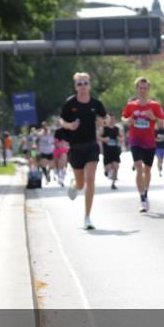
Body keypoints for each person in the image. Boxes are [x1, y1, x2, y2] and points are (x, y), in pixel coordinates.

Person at [58, 73, 107, 230]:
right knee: (81, 184)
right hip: (75, 148)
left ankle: (87, 217)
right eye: (79, 84)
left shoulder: (96, 103)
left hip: (91, 145)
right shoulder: (70, 103)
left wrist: (102, 121)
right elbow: (61, 120)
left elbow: (104, 119)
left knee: (90, 179)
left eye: (85, 83)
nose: (83, 86)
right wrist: (69, 125)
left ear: (89, 85)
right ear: (75, 86)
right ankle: (74, 186)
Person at [122, 77, 164, 213]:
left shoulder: (155, 105)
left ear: (148, 89)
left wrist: (153, 117)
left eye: (145, 88)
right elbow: (123, 118)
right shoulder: (131, 105)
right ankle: (142, 198)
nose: (143, 90)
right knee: (139, 167)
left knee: (147, 170)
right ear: (137, 89)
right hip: (135, 140)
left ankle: (145, 192)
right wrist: (127, 120)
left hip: (149, 142)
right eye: (140, 87)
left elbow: (162, 123)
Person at [100, 115, 122, 190]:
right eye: (110, 119)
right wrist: (104, 139)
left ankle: (113, 183)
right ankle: (107, 172)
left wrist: (119, 138)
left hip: (115, 150)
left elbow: (122, 138)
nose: (112, 120)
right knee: (109, 168)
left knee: (116, 166)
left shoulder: (117, 129)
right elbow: (97, 137)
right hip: (107, 151)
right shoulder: (104, 128)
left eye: (113, 119)